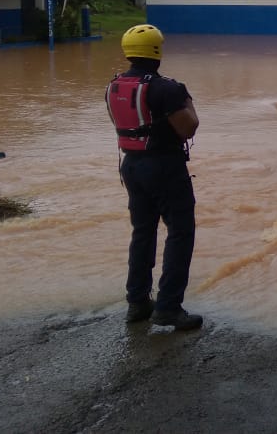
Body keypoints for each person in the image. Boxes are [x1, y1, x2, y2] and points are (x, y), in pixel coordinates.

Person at [105, 24, 203, 331]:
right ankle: (169, 307)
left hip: (131, 166)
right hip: (164, 166)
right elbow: (188, 127)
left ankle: (137, 303)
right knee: (180, 232)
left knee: (143, 232)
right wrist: (187, 101)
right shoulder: (167, 89)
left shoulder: (114, 86)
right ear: (158, 52)